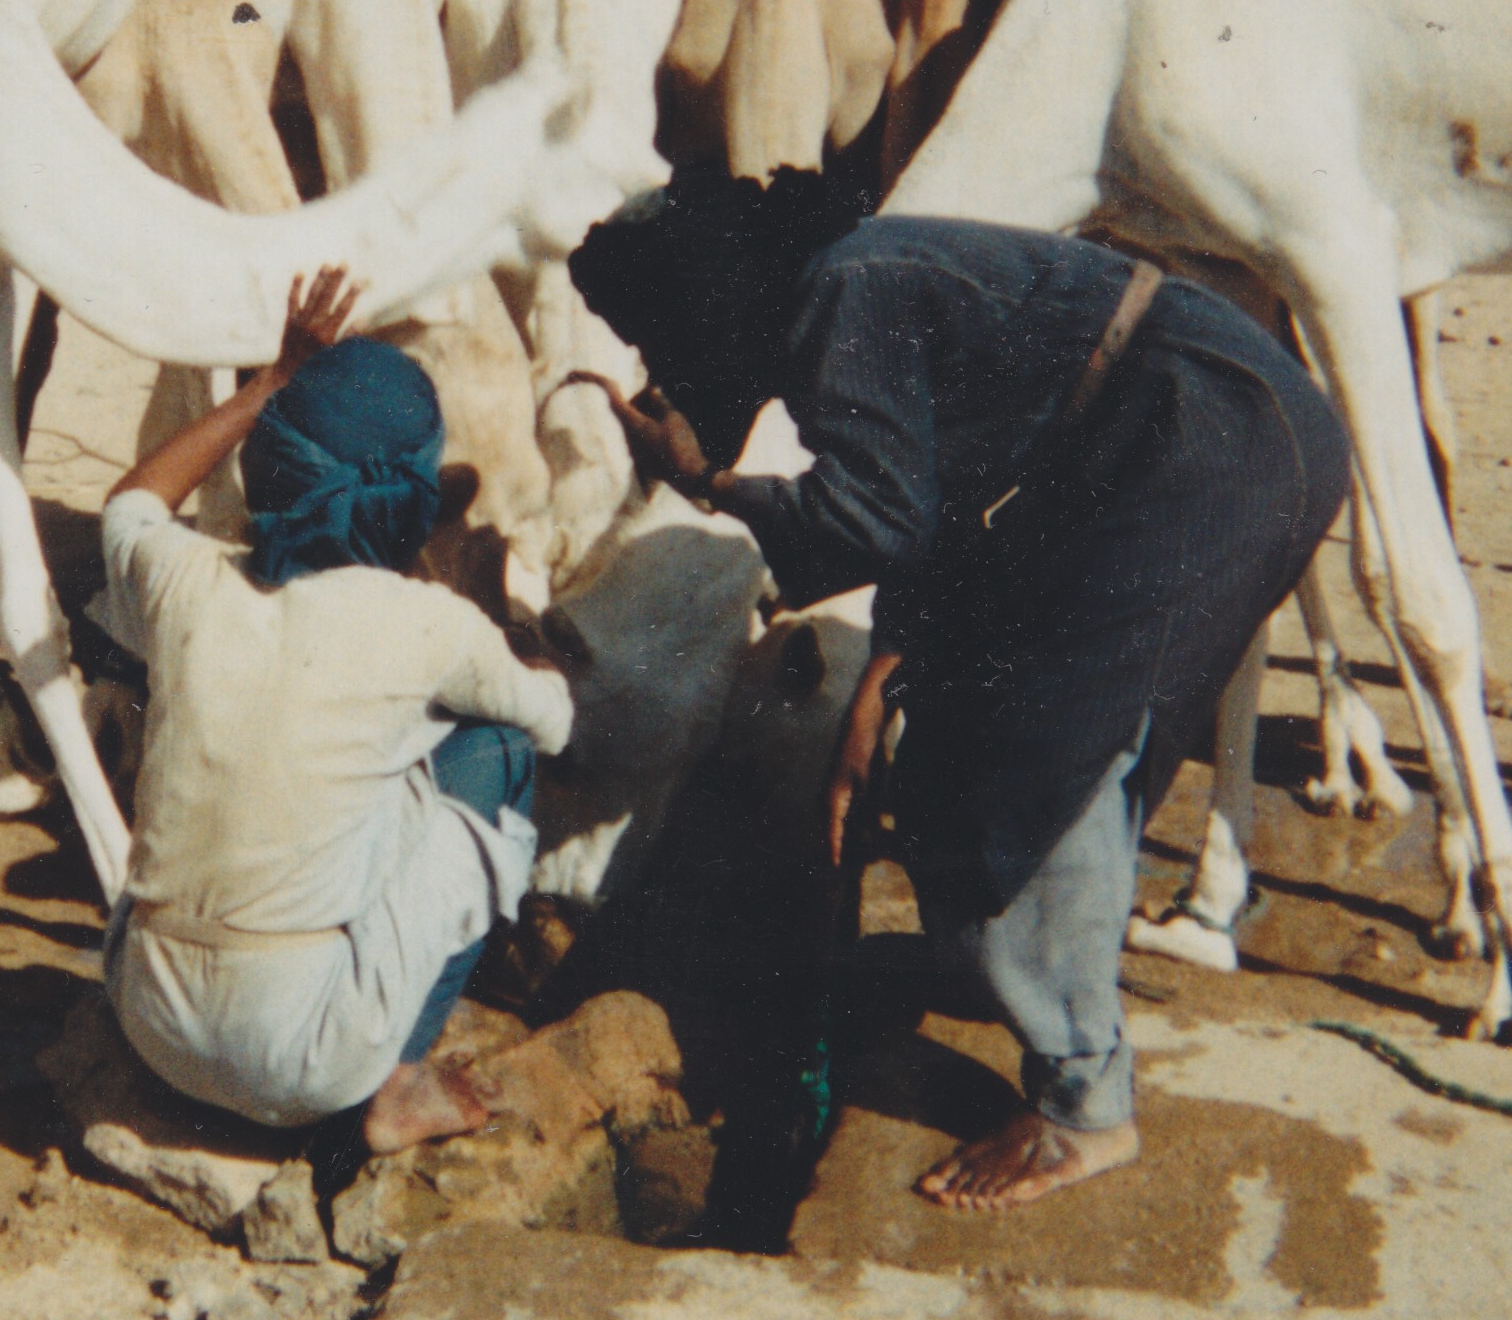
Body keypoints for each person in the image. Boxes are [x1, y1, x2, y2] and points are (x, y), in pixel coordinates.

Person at [576, 210, 1349, 1211]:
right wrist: (876, 693)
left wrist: (711, 482)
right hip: (1205, 422)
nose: (667, 372)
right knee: (1008, 719)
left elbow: (876, 519)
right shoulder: (853, 277)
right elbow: (935, 514)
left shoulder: (837, 297)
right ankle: (1019, 969)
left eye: (662, 339)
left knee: (1034, 748)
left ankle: (1084, 1109)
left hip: (1208, 438)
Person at [95, 269, 576, 1155]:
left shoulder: (185, 579)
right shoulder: (429, 622)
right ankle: (398, 1079)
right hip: (300, 1065)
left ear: (272, 458)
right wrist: (530, 653)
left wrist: (272, 381)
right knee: (496, 750)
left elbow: (131, 503)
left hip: (151, 1025)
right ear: (415, 489)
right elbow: (551, 722)